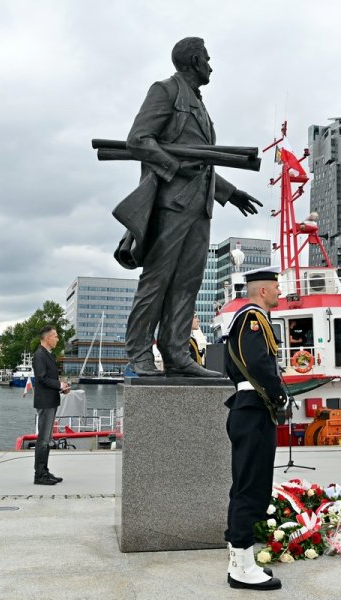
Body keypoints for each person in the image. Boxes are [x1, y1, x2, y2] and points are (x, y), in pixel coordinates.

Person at [116, 37, 262, 378]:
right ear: (195, 60)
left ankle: (177, 352)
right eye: (207, 59)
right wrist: (173, 167)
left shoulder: (198, 101)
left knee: (187, 283)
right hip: (171, 204)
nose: (211, 66)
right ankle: (139, 352)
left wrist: (230, 192)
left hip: (200, 207)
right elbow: (138, 140)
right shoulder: (166, 90)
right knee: (157, 279)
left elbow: (202, 162)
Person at [223, 266, 284, 591]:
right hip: (253, 410)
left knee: (248, 486)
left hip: (250, 410)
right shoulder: (252, 319)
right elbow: (258, 363)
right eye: (276, 287)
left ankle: (240, 558)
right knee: (251, 488)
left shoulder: (251, 318)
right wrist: (279, 394)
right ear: (263, 290)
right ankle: (242, 568)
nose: (279, 291)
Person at [32, 325, 70, 485]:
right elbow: (41, 379)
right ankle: (39, 475)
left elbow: (48, 380)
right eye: (55, 336)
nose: (57, 338)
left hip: (50, 400)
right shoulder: (40, 355)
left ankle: (44, 471)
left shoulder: (47, 354)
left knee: (47, 439)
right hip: (45, 402)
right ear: (47, 338)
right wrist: (59, 385)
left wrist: (62, 388)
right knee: (43, 439)